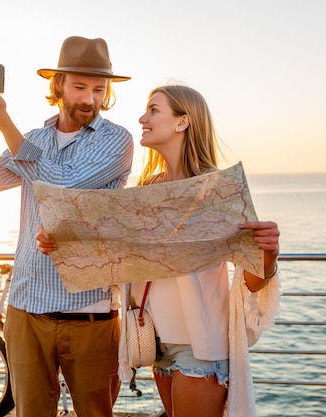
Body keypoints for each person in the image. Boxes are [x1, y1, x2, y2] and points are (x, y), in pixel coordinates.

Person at [37, 84, 281, 417]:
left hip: (200, 346)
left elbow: (253, 282)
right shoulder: (147, 188)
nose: (142, 117)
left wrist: (269, 252)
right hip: (155, 342)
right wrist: (60, 242)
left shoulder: (215, 189)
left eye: (154, 110)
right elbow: (118, 257)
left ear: (182, 122)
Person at [0, 36, 134, 417]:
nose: (89, 98)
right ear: (58, 85)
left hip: (90, 314)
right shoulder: (32, 140)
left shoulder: (117, 140)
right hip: (26, 311)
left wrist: (4, 120)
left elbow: (61, 185)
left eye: (98, 89)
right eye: (80, 87)